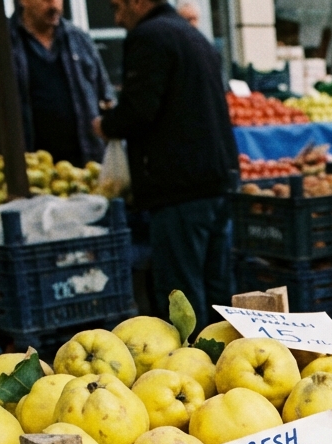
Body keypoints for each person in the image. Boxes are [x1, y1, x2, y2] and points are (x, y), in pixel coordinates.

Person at [94, 0, 237, 326]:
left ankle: (194, 365)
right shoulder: (193, 35)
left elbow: (140, 109)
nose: (117, 18)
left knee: (182, 295)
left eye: (119, 7)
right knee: (216, 288)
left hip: (179, 186)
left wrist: (106, 125)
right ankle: (223, 362)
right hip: (215, 180)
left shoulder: (149, 36)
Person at [8, 0, 113, 166]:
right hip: (29, 166)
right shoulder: (7, 42)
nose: (54, 6)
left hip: (84, 162)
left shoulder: (78, 39)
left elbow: (105, 93)